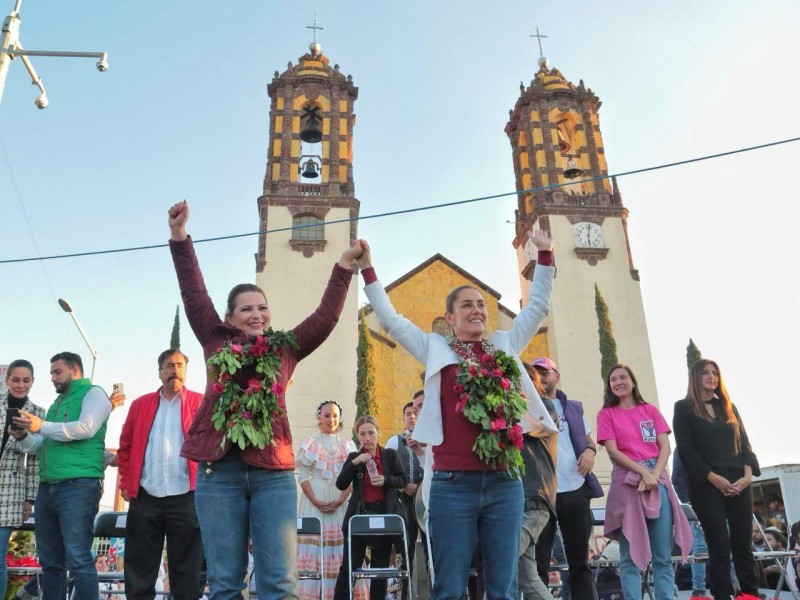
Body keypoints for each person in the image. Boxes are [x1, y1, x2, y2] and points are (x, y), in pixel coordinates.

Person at [167, 200, 360, 600]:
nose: (257, 314)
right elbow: (193, 291)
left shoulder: (285, 348)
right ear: (231, 316)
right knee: (225, 583)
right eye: (246, 309)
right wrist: (180, 236)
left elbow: (325, 317)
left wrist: (343, 266)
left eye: (262, 307)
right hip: (218, 474)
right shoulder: (214, 338)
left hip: (272, 474)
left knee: (279, 583)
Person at [358, 231, 558, 600]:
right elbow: (390, 320)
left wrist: (544, 256)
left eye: (481, 304)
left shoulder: (504, 344)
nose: (477, 310)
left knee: (504, 588)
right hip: (452, 486)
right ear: (450, 317)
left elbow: (537, 309)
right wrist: (368, 270)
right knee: (449, 586)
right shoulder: (435, 348)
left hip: (505, 483)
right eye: (466, 305)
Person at [11, 352, 112, 600]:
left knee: (77, 557)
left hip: (79, 484)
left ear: (75, 370)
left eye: (58, 372)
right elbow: (40, 446)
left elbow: (87, 428)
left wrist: (41, 426)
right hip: (48, 487)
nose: (53, 378)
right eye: (52, 373)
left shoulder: (94, 393)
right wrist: (23, 436)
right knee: (50, 560)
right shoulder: (57, 405)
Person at [597, 364, 692, 600]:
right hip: (627, 482)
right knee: (628, 558)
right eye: (613, 380)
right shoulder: (607, 414)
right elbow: (612, 451)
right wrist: (643, 472)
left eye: (623, 377)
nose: (618, 382)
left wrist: (654, 474)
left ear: (632, 381)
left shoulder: (650, 410)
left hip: (657, 480)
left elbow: (665, 446)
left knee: (662, 556)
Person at [117, 349, 204, 600]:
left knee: (188, 569)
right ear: (159, 372)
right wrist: (125, 482)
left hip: (188, 495)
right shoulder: (140, 404)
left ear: (186, 371)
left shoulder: (200, 403)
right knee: (140, 568)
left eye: (179, 365)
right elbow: (126, 447)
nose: (174, 370)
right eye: (168, 365)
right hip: (146, 495)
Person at [673, 359, 761, 600]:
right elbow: (686, 450)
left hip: (740, 483)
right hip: (707, 485)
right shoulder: (683, 408)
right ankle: (722, 595)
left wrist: (746, 477)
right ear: (695, 377)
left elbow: (745, 446)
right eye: (705, 373)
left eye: (715, 373)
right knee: (719, 545)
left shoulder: (730, 408)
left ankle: (750, 595)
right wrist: (714, 478)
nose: (711, 376)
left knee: (743, 545)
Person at [531, 357, 603, 600]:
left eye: (546, 371)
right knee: (538, 563)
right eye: (537, 372)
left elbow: (588, 440)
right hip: (541, 494)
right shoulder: (527, 406)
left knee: (579, 561)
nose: (541, 376)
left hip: (575, 488)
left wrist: (590, 451)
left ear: (556, 376)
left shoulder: (572, 407)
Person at [333, 415, 407, 600]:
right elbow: (341, 484)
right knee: (348, 567)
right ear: (358, 436)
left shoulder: (390, 455)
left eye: (371, 433)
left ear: (378, 434)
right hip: (359, 518)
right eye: (363, 434)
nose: (367, 438)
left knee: (379, 570)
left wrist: (386, 480)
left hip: (384, 518)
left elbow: (403, 480)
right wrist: (354, 463)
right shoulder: (354, 457)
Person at [296, 400, 357, 600]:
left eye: (335, 415)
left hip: (340, 501)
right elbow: (303, 475)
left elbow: (353, 478)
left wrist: (340, 499)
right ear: (319, 417)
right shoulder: (310, 444)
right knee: (314, 547)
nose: (331, 419)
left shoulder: (348, 445)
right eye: (327, 415)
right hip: (314, 500)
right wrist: (314, 500)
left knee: (340, 547)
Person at [0, 360, 45, 598]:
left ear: (33, 382)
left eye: (25, 380)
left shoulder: (38, 413)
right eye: (15, 380)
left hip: (11, 490)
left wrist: (29, 498)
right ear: (7, 380)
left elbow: (36, 460)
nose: (20, 385)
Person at [518, 365, 558, 600]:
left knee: (500, 559)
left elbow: (525, 426)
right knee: (528, 580)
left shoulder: (544, 407)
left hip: (535, 499)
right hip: (516, 500)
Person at [385, 395, 427, 591]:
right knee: (406, 548)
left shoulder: (431, 440)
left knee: (430, 548)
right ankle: (404, 592)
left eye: (415, 413)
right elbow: (388, 472)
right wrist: (404, 486)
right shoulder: (395, 441)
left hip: (427, 499)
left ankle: (434, 591)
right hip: (404, 500)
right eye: (408, 414)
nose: (412, 417)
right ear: (403, 418)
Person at [671, 450, 709, 597]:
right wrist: (688, 503)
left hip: (718, 500)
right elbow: (677, 478)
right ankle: (699, 588)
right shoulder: (683, 448)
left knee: (724, 544)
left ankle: (732, 585)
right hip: (696, 502)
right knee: (700, 546)